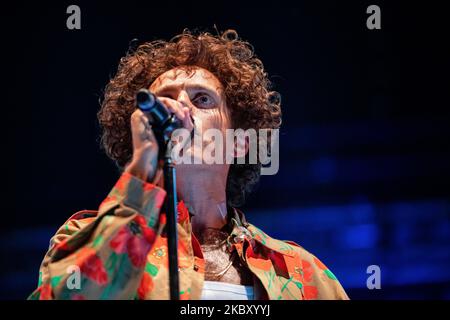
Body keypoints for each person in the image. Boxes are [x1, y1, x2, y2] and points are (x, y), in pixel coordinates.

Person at [29, 29, 349, 300]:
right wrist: (144, 169)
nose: (179, 106)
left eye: (201, 99)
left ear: (238, 143)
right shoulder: (85, 237)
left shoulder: (301, 271)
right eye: (165, 99)